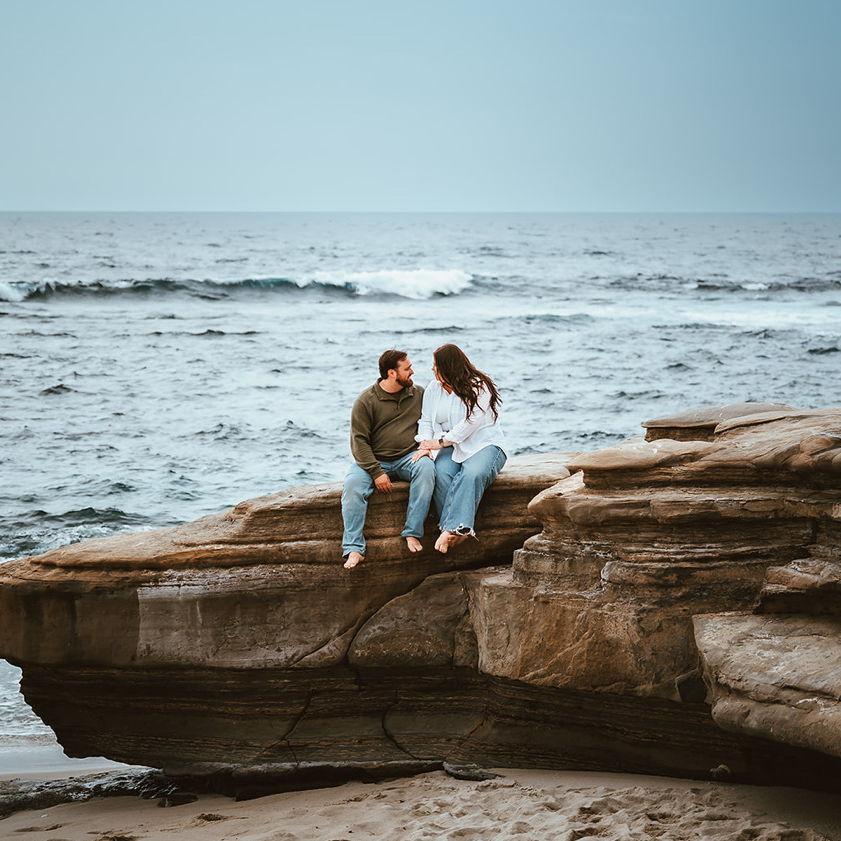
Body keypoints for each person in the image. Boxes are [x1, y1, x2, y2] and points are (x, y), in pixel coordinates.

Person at [341, 349, 435, 570]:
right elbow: (359, 442)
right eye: (407, 368)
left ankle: (412, 533)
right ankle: (354, 548)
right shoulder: (366, 401)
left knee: (427, 469)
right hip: (373, 461)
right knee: (352, 486)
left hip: (408, 457)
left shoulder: (418, 393)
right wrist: (376, 472)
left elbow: (435, 420)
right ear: (392, 373)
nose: (412, 372)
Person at [414, 344, 507, 553]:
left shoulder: (480, 387)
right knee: (441, 473)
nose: (432, 370)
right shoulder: (433, 388)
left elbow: (469, 424)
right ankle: (457, 531)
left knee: (471, 474)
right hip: (451, 446)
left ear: (449, 367)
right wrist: (425, 445)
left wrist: (439, 443)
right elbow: (426, 421)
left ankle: (452, 529)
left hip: (485, 444)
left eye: (436, 366)